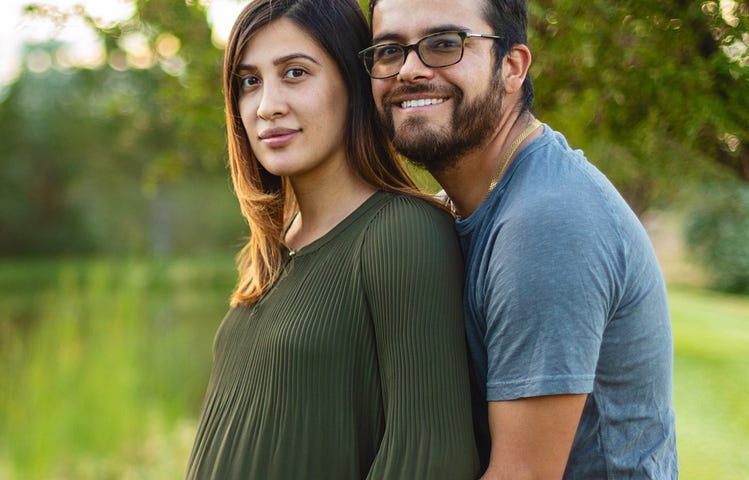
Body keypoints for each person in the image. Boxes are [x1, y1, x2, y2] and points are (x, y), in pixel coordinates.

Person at [362, 0, 678, 478]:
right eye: (389, 50)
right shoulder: (466, 204)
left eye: (445, 44)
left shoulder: (548, 218)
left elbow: (522, 475)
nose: (409, 69)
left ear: (512, 66)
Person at [185, 0, 478, 478]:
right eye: (249, 81)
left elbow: (431, 459)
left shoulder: (401, 235)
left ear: (353, 84)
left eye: (295, 73)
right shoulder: (273, 251)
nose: (267, 106)